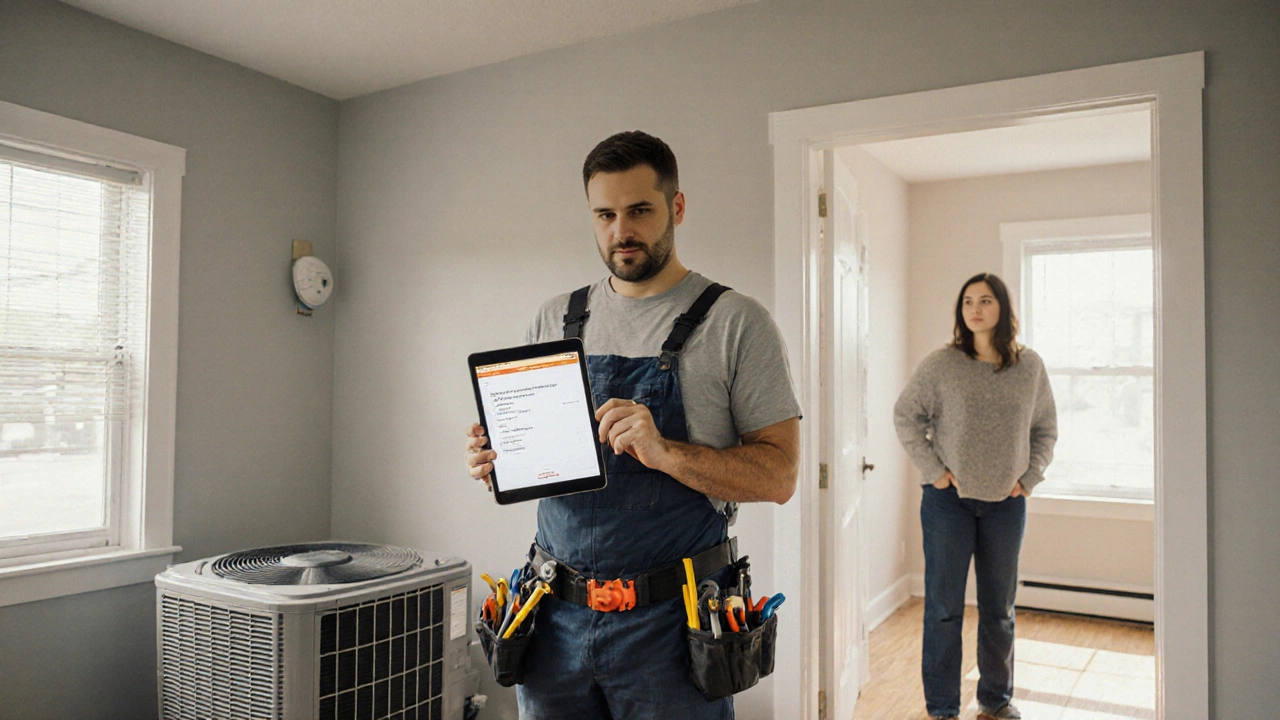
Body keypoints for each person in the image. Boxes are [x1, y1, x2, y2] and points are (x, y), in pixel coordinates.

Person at [464, 130, 801, 719]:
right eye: (605, 214)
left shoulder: (737, 323)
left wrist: (666, 452)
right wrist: (501, 462)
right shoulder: (554, 318)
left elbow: (780, 475)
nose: (622, 231)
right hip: (553, 621)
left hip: (675, 629)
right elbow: (539, 466)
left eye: (640, 210)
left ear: (677, 207)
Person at [893, 272, 1057, 720]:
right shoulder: (943, 364)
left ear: (1002, 308)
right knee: (944, 608)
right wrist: (936, 473)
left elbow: (1045, 429)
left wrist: (1029, 477)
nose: (975, 309)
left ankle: (995, 700)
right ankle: (943, 707)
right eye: (968, 301)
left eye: (985, 300)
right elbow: (906, 416)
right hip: (949, 504)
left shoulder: (1030, 367)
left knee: (998, 610)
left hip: (1007, 505)